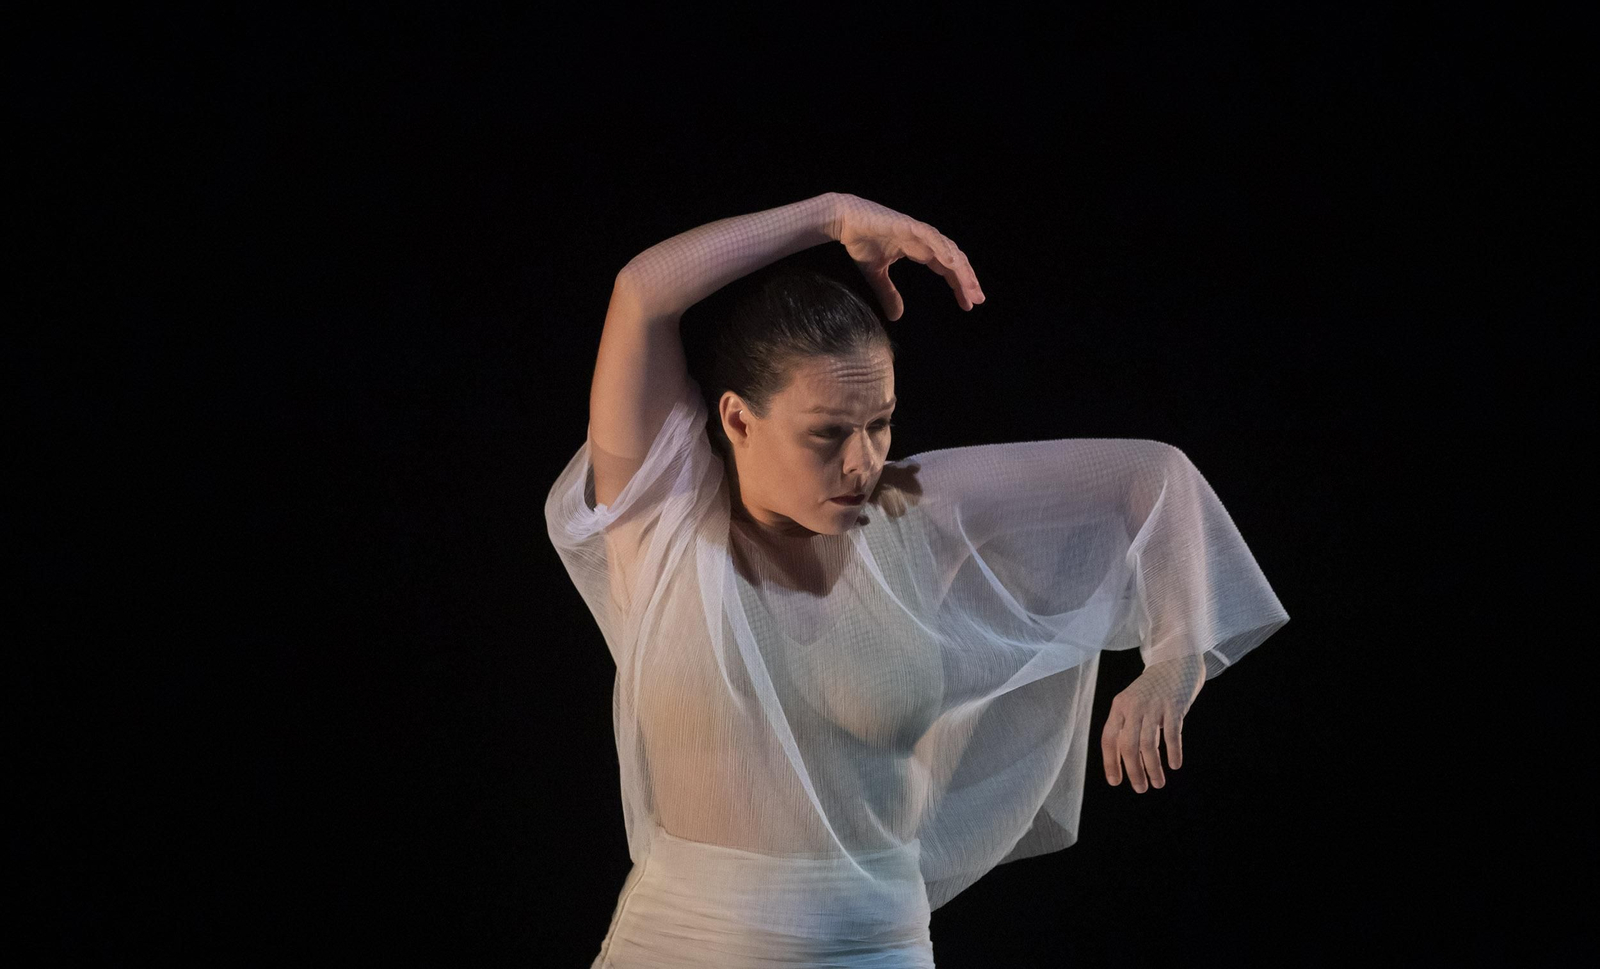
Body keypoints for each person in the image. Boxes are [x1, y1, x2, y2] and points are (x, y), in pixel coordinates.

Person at [545, 192, 1291, 968]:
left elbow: (1149, 480)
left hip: (877, 946)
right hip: (684, 945)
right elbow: (641, 292)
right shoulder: (660, 522)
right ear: (736, 419)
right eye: (828, 433)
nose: (863, 461)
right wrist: (830, 214)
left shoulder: (909, 513)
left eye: (881, 423)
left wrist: (1177, 653)